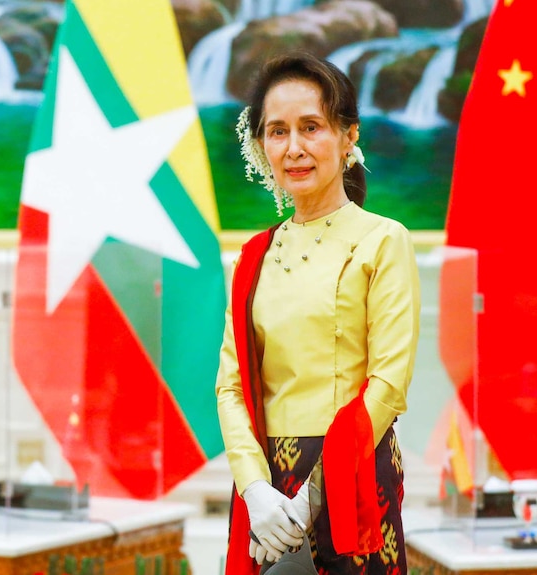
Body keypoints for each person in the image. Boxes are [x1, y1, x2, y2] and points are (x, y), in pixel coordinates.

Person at [216, 52, 420, 574]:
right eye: (278, 132)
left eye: (311, 127)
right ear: (261, 145)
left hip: (354, 476)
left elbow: (389, 383)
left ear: (348, 135)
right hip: (266, 489)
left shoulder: (382, 240)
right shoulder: (254, 256)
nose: (295, 148)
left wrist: (312, 497)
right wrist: (255, 489)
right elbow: (232, 387)